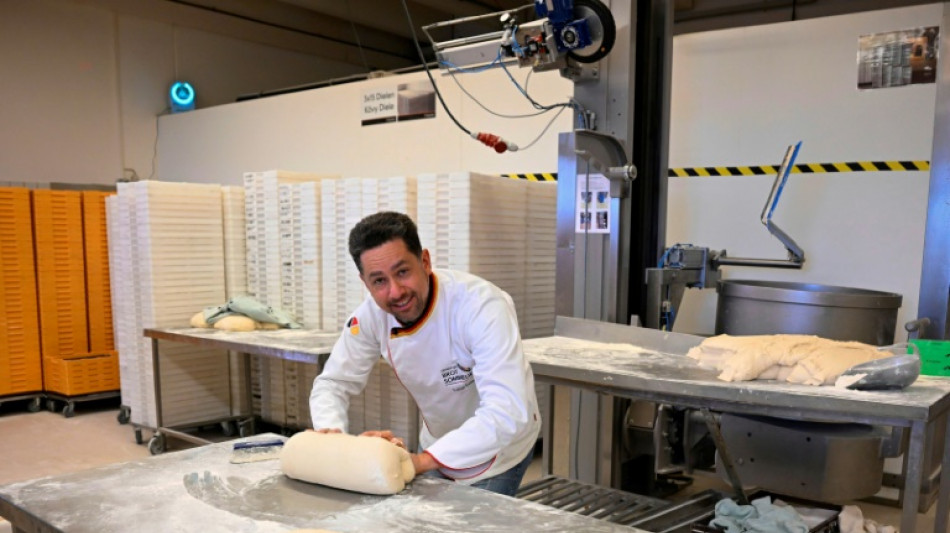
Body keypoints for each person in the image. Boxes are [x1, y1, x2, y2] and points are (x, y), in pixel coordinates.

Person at [309, 211, 541, 496]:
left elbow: (506, 412)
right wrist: (334, 440)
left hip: (499, 449)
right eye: (379, 281)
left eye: (403, 272)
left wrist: (418, 461)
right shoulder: (370, 317)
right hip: (436, 440)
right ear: (364, 282)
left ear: (425, 261)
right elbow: (333, 383)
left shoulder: (480, 306)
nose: (395, 292)